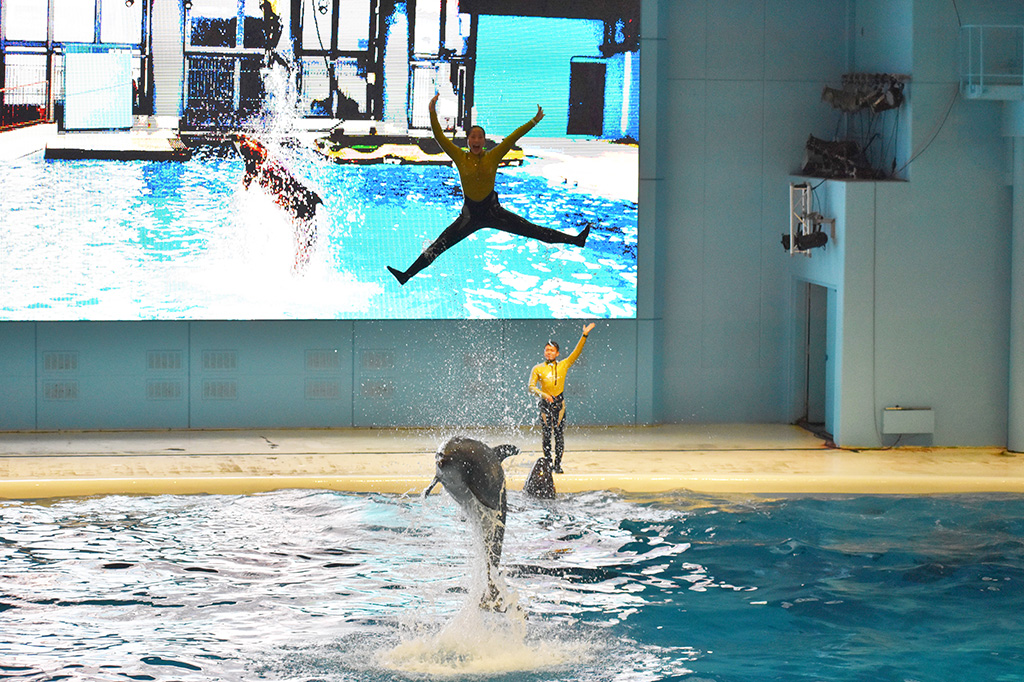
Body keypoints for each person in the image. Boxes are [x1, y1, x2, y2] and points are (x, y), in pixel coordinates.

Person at [387, 94, 590, 284]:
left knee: (534, 231)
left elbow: (512, 138)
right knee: (438, 247)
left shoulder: (493, 156)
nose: (476, 141)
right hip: (469, 217)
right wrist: (432, 112)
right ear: (468, 140)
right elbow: (440, 137)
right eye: (473, 137)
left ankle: (576, 240)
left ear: (484, 141)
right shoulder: (460, 156)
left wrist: (534, 121)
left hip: (494, 213)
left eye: (479, 137)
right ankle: (406, 275)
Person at [528, 323, 596, 473]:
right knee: (546, 436)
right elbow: (531, 387)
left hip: (559, 404)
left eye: (552, 350)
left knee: (559, 435)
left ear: (557, 353)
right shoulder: (538, 368)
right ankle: (547, 464)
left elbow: (576, 352)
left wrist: (584, 335)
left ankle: (557, 465)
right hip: (545, 404)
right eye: (547, 350)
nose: (549, 353)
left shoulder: (564, 364)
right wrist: (544, 394)